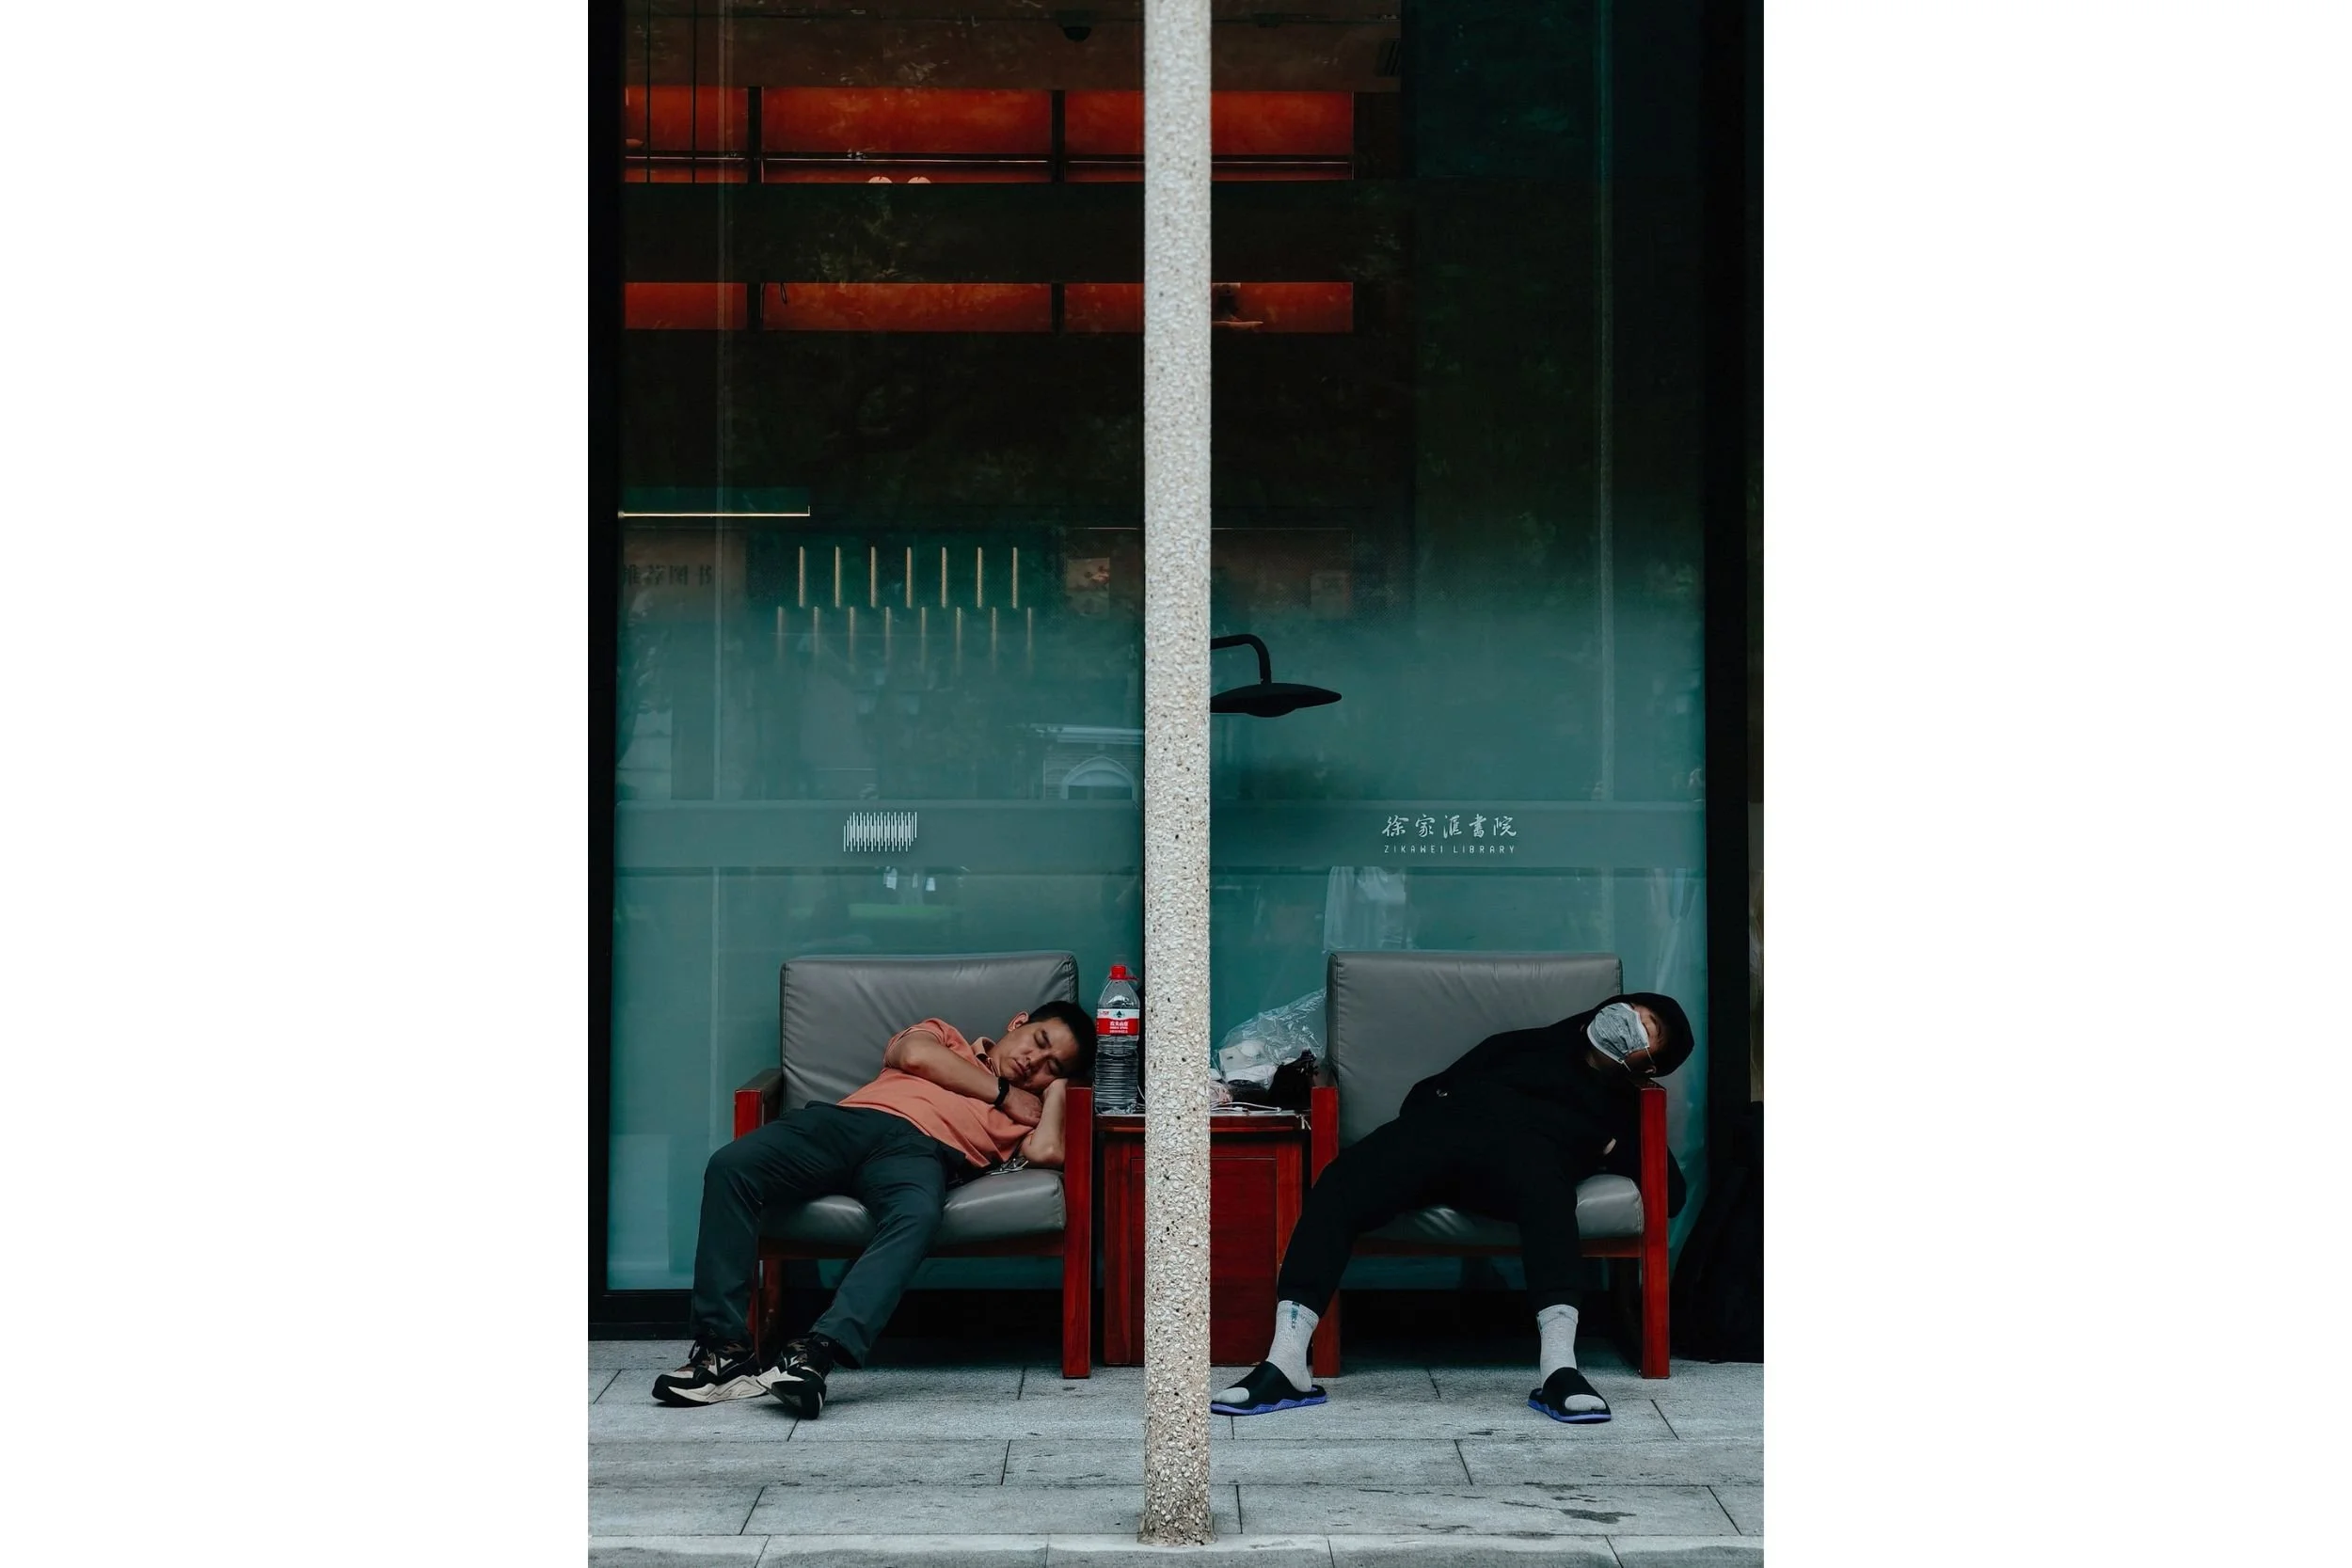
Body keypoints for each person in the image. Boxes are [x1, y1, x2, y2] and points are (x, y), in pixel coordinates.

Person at [1212, 992, 1692, 1426]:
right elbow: (1429, 1094)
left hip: (1524, 1167)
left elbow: (1671, 1192)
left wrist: (1604, 1141)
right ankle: (1286, 1363)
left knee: (1548, 1193)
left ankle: (1560, 1371)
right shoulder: (1522, 1045)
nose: (1629, 1021)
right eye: (1633, 1009)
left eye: (1647, 1030)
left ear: (1648, 1063)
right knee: (1342, 1179)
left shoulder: (1626, 1104)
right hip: (1441, 1138)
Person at [653, 999, 1097, 1417]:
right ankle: (725, 1353)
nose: (1033, 1063)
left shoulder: (1031, 1109)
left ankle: (814, 1352)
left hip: (922, 1155)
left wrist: (1059, 1090)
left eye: (1051, 1066)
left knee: (919, 1215)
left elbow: (1049, 1150)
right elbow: (916, 1057)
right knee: (732, 1166)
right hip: (849, 1123)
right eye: (1038, 1043)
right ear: (1018, 1023)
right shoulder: (947, 1037)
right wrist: (1002, 1093)